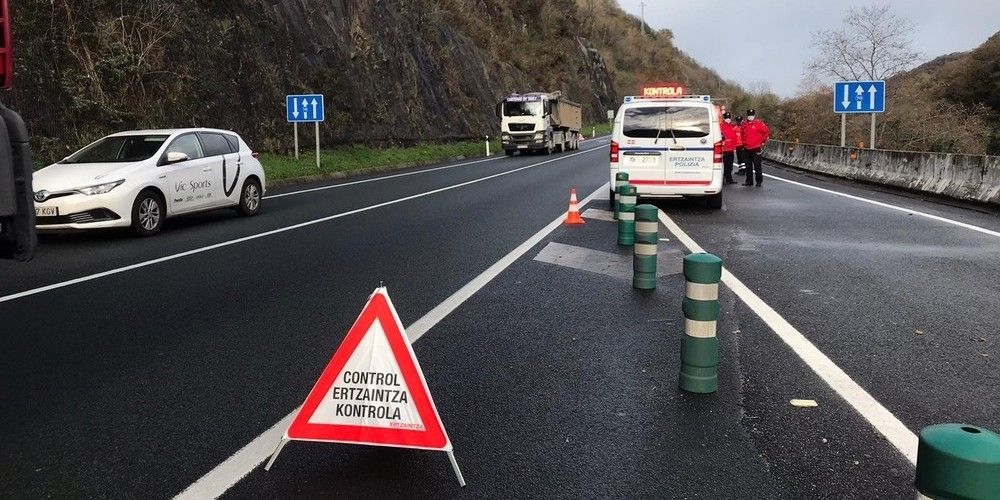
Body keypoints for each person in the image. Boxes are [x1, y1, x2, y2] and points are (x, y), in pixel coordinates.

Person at [742, 108, 770, 187]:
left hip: (756, 148)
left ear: (754, 115)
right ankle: (749, 181)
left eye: (751, 115)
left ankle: (759, 181)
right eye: (749, 115)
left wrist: (762, 142)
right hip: (747, 148)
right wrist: (743, 143)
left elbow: (766, 131)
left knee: (757, 166)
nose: (750, 116)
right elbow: (742, 134)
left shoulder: (758, 124)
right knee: (748, 166)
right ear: (747, 115)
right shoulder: (744, 124)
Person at [719, 112, 738, 184]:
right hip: (724, 149)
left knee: (730, 165)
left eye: (729, 118)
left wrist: (734, 147)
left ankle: (729, 179)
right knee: (724, 166)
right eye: (727, 118)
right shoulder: (721, 126)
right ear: (724, 118)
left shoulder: (732, 127)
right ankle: (723, 180)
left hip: (731, 149)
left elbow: (734, 138)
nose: (728, 119)